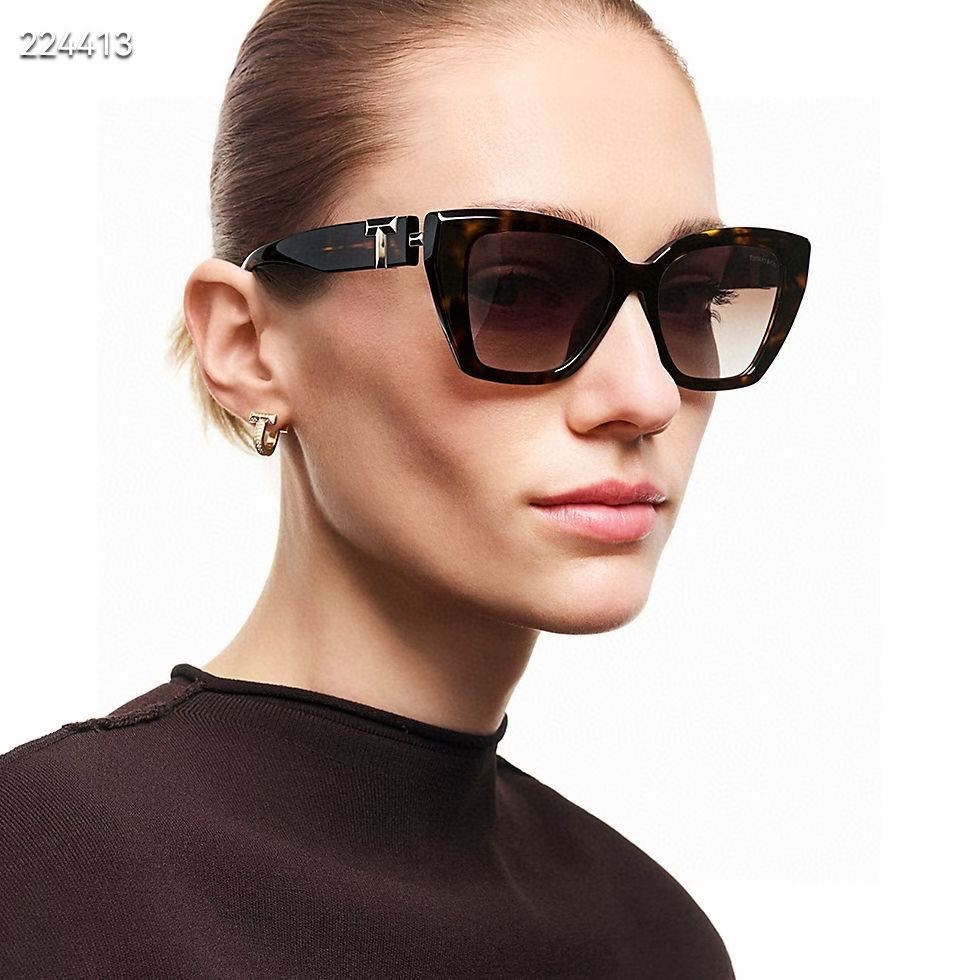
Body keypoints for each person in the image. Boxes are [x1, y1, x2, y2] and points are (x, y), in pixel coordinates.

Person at [0, 0, 810, 976]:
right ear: (247, 345)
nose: (646, 395)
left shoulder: (656, 942)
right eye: (516, 287)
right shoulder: (34, 873)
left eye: (691, 294)